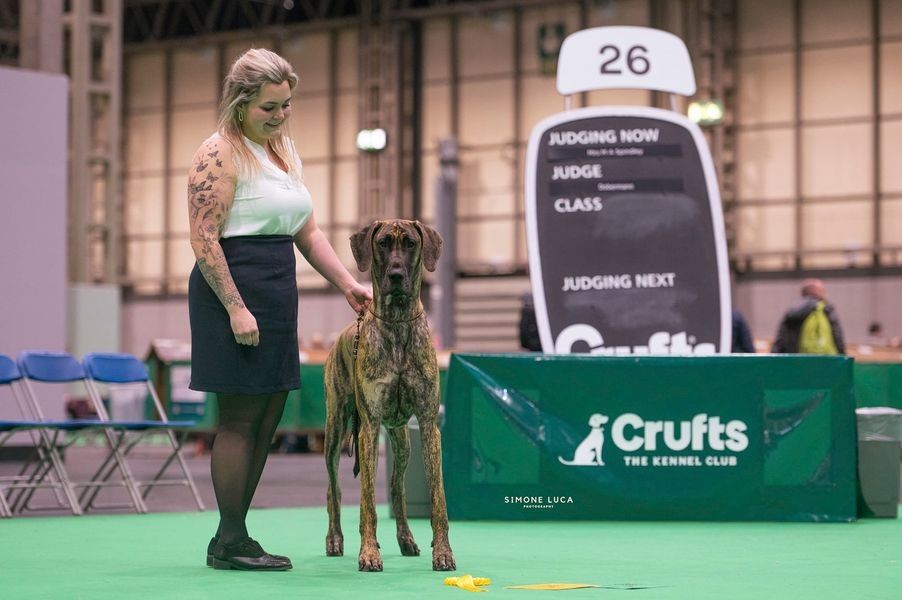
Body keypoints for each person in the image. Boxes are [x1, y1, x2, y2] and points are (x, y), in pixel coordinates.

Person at [187, 48, 372, 571]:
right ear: (240, 102)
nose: (280, 115)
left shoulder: (282, 150)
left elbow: (305, 231)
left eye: (286, 105)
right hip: (232, 289)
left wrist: (348, 283)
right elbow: (203, 238)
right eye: (269, 107)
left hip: (275, 288)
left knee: (267, 419)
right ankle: (230, 540)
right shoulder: (218, 152)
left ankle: (232, 537)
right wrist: (236, 308)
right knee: (239, 420)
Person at [771, 278, 845, 355]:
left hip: (797, 358)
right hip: (826, 359)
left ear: (803, 293)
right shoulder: (826, 309)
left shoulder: (793, 310)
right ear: (819, 291)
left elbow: (781, 339)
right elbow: (837, 336)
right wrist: (842, 354)